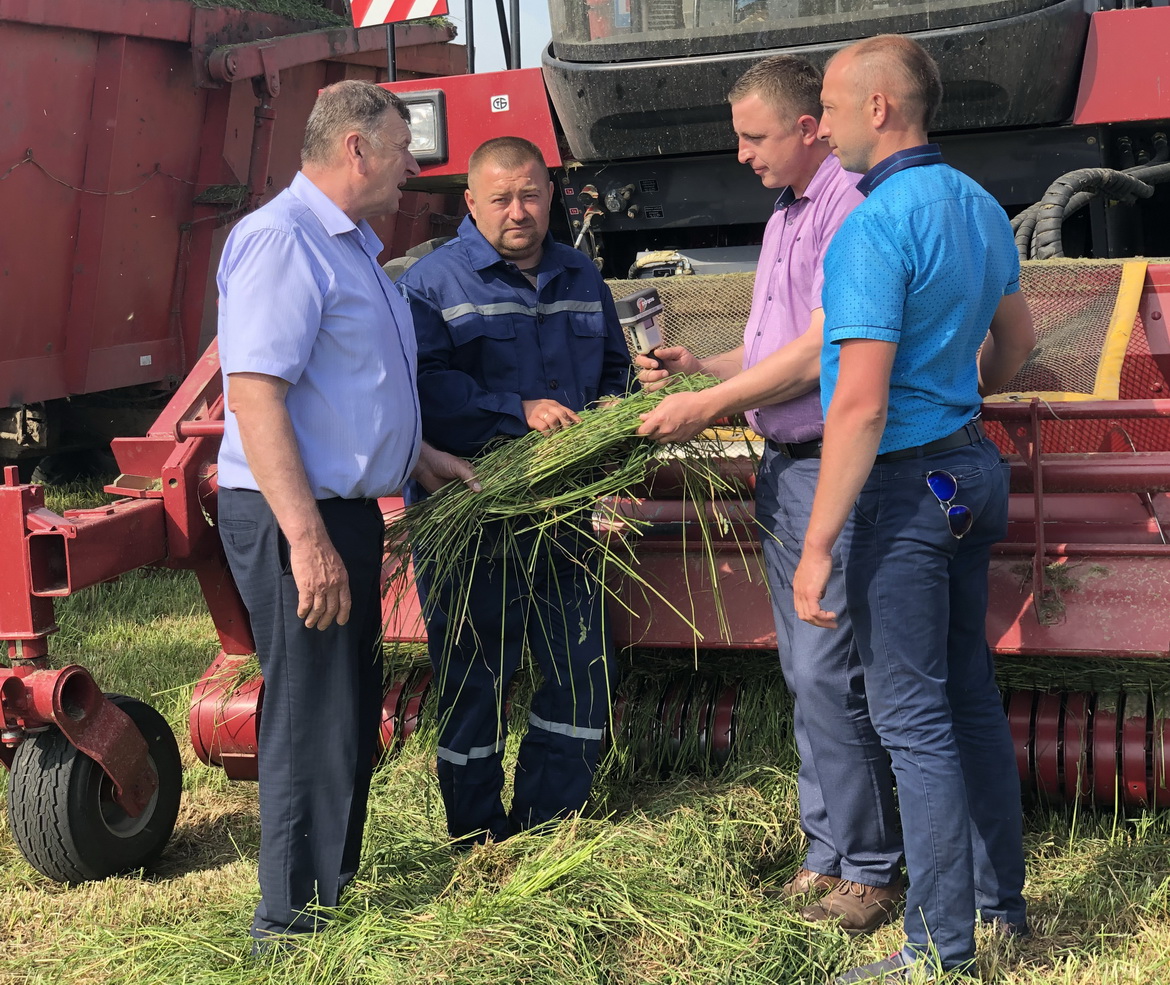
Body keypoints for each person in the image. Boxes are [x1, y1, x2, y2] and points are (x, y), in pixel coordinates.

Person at [635, 55, 903, 934]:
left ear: (807, 128)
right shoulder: (788, 209)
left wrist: (707, 405)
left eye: (754, 136)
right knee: (806, 671)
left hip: (835, 463)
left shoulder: (847, 210)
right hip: (785, 465)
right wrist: (703, 365)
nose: (741, 151)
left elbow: (826, 347)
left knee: (833, 669)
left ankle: (869, 869)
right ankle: (828, 850)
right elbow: (775, 345)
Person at [793, 35, 1036, 984]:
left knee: (912, 719)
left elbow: (856, 401)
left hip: (905, 489)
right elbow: (1013, 339)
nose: (826, 125)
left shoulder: (873, 224)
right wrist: (961, 390)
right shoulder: (977, 204)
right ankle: (998, 905)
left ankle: (939, 950)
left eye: (833, 106)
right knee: (967, 692)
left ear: (881, 107)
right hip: (971, 469)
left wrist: (817, 548)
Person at [216, 80, 478, 951]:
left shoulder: (354, 245)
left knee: (346, 707)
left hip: (344, 513)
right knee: (311, 715)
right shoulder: (282, 242)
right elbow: (256, 396)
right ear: (357, 148)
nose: (414, 165)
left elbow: (353, 393)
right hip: (299, 518)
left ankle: (329, 892)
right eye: (404, 148)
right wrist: (308, 542)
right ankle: (287, 929)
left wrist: (419, 458)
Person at [398, 136, 633, 844]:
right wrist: (517, 410)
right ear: (470, 202)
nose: (518, 211)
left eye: (531, 194)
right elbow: (427, 392)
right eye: (500, 198)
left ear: (551, 194)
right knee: (475, 671)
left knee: (578, 662)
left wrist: (620, 417)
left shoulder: (583, 277)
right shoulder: (433, 284)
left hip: (565, 512)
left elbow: (614, 373)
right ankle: (474, 834)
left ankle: (549, 822)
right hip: (471, 509)